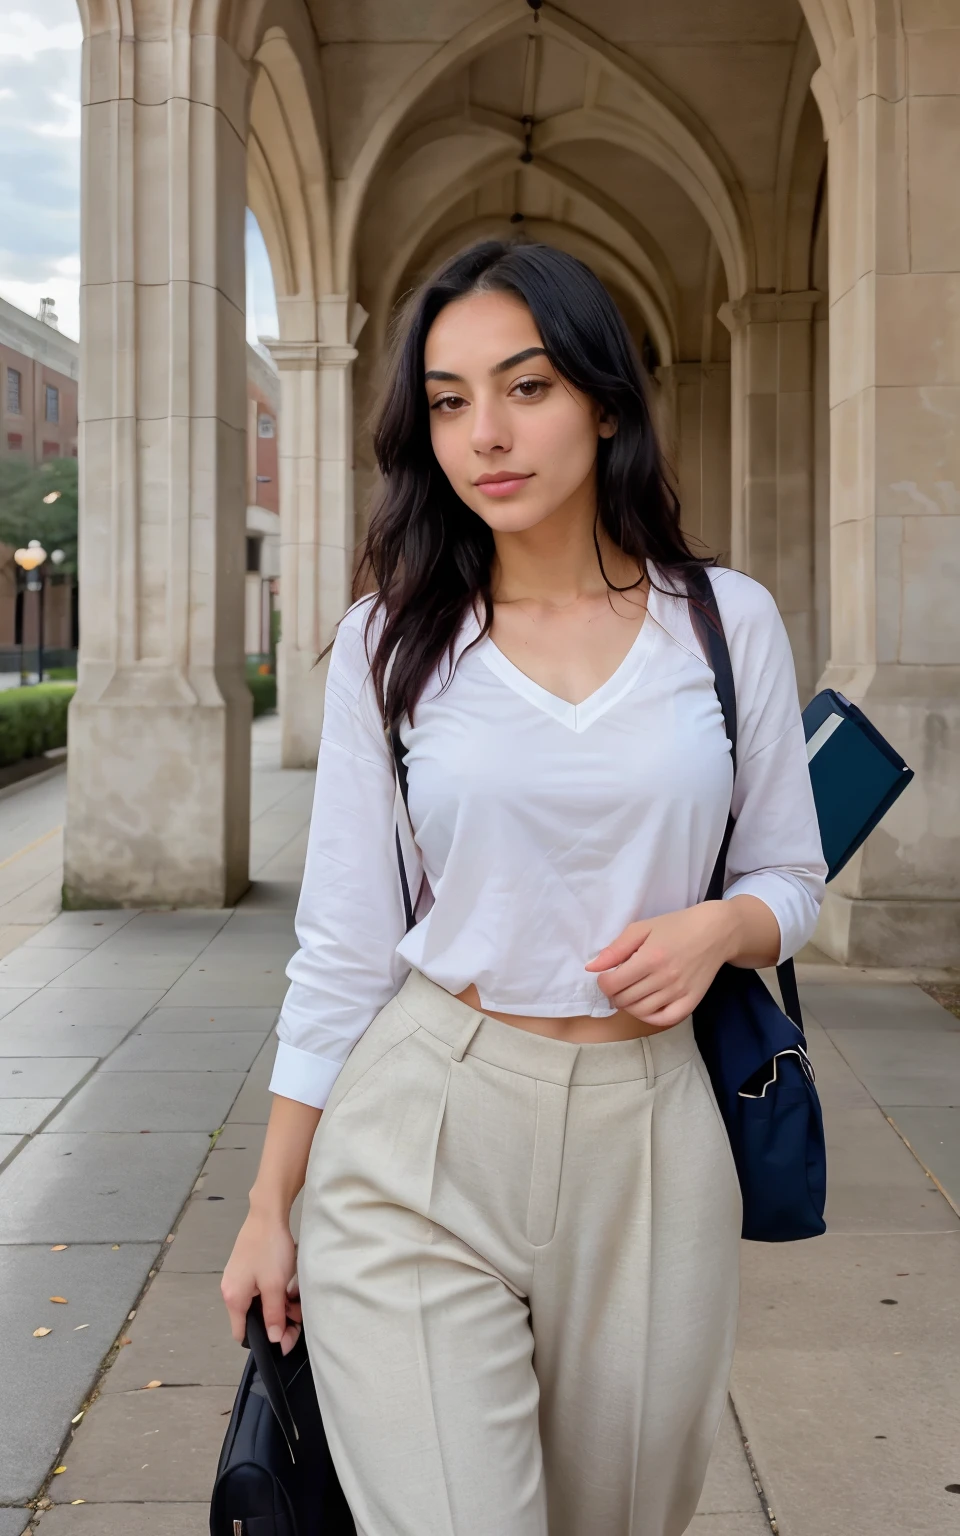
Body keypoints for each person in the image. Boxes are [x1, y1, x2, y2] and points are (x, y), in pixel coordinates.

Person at [221, 239, 826, 1536]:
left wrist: (724, 926)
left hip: (657, 1136)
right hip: (429, 1122)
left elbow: (793, 874)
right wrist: (271, 1206)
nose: (484, 434)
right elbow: (341, 948)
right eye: (447, 401)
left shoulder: (728, 623)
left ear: (605, 401)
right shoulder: (390, 643)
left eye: (526, 386)